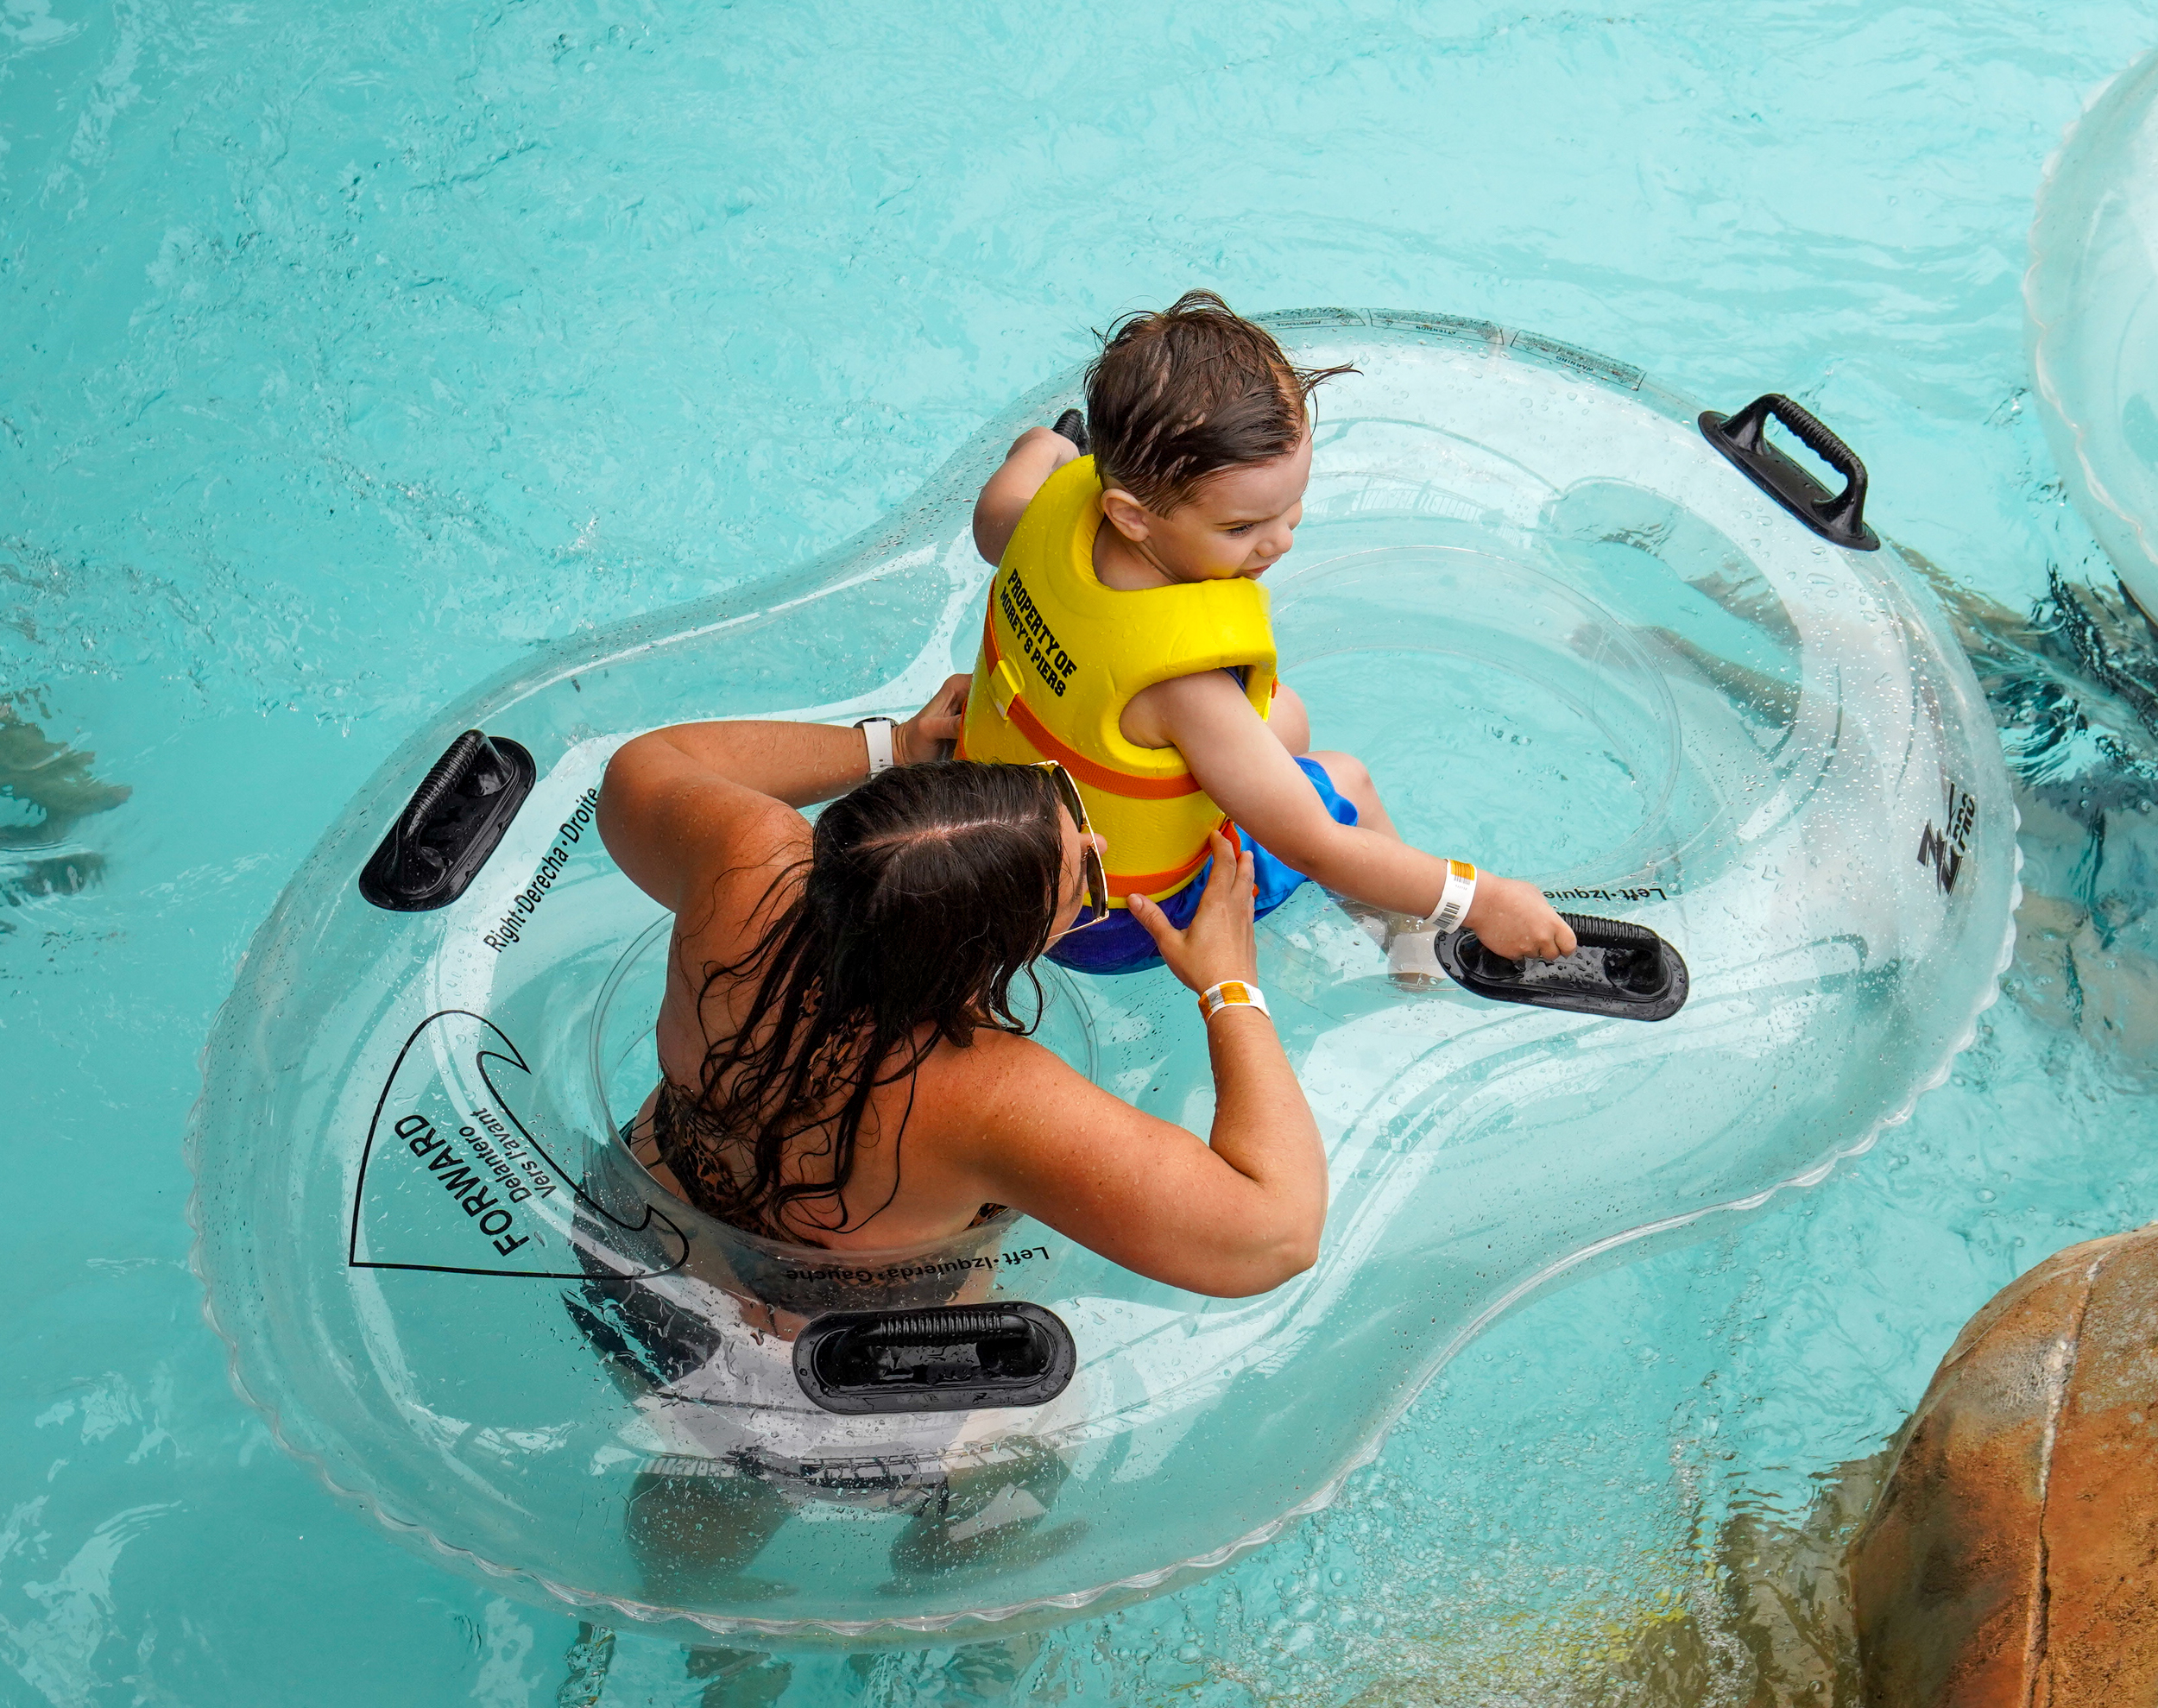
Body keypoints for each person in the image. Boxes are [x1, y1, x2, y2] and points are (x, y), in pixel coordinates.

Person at [595, 682, 1327, 1298]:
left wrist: (892, 745)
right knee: (1042, 1446)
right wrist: (1231, 985)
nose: (1100, 845)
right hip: (808, 1355)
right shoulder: (988, 1095)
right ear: (983, 960)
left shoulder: (743, 862)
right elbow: (1276, 1235)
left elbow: (642, 763)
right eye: (1086, 885)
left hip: (625, 1234)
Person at [959, 290, 1578, 982]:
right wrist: (1481, 898)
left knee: (1286, 719)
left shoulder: (1054, 508)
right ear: (1131, 516)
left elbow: (993, 522)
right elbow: (1314, 845)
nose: (1280, 540)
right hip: (1110, 917)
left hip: (1000, 854)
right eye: (1242, 528)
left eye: (1291, 507)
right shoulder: (1181, 684)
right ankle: (1414, 958)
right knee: (1345, 779)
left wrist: (1039, 445)